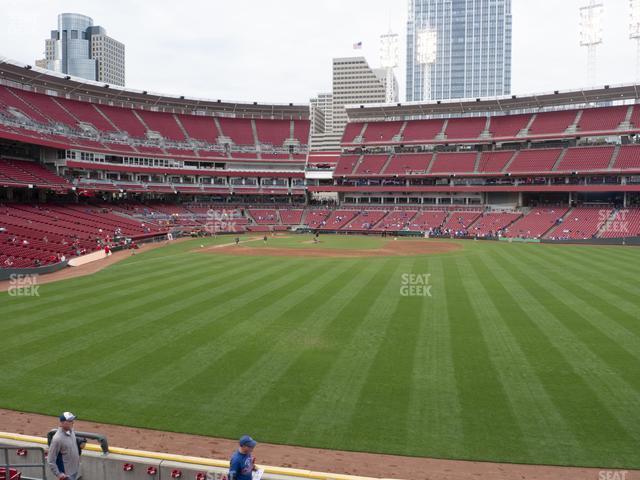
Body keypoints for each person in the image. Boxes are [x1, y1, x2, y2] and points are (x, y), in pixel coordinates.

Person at [48, 412, 80, 480]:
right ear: (62, 423)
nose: (73, 422)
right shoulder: (57, 439)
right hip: (66, 474)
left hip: (74, 470)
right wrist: (58, 474)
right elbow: (51, 459)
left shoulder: (71, 431)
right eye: (70, 421)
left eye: (73, 420)